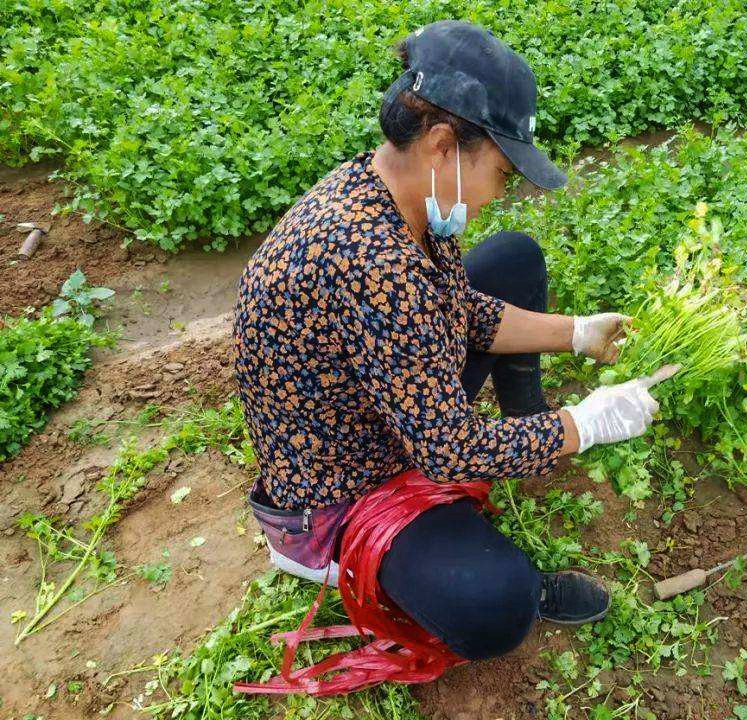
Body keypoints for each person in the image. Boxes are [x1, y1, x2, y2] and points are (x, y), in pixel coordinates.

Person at [233, 20, 671, 664]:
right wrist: (586, 424)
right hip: (335, 491)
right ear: (442, 144)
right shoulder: (371, 261)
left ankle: (527, 432)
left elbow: (456, 307)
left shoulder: (397, 194)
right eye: (498, 169)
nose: (501, 190)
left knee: (514, 259)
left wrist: (576, 334)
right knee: (499, 603)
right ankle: (322, 557)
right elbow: (447, 450)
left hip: (379, 408)